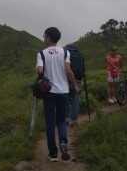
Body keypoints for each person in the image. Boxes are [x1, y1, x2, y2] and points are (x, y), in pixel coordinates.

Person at [36, 27, 79, 162]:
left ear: (48, 37)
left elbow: (39, 70)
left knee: (50, 122)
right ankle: (63, 142)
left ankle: (53, 154)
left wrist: (39, 69)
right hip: (63, 92)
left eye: (44, 36)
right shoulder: (65, 52)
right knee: (61, 120)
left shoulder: (41, 53)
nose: (43, 38)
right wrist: (75, 86)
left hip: (49, 93)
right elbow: (68, 70)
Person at [64, 43, 86, 127]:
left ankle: (65, 118)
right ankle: (74, 120)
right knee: (75, 100)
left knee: (65, 99)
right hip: (77, 80)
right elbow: (83, 69)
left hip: (66, 79)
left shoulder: (66, 54)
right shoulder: (81, 55)